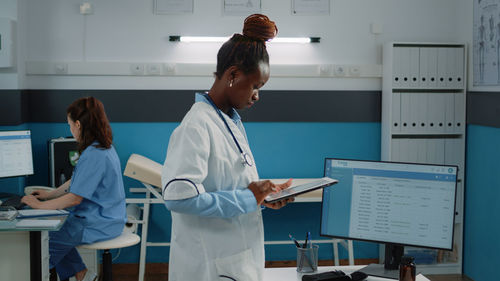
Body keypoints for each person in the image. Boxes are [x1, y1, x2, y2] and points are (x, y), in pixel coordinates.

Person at [162, 14, 294, 281]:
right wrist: (248, 198)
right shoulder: (197, 124)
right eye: (255, 85)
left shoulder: (229, 121)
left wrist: (262, 198)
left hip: (236, 260)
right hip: (210, 266)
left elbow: (227, 186)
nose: (257, 95)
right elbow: (179, 197)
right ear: (232, 75)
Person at [22, 97, 126, 281]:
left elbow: (74, 198)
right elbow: (76, 181)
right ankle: (83, 275)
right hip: (108, 219)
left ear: (78, 124)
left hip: (96, 223)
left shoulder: (94, 154)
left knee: (40, 247)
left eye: (69, 124)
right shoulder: (103, 147)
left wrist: (38, 206)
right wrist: (49, 195)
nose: (69, 129)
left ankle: (67, 273)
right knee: (55, 231)